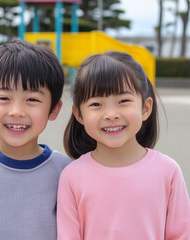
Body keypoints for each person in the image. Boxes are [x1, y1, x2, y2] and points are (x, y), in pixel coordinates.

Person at [57, 51, 190, 240]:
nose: (111, 114)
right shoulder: (71, 176)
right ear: (79, 115)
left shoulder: (168, 172)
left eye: (123, 101)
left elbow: (181, 235)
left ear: (145, 108)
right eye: (96, 104)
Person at [0, 40, 72, 240]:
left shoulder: (65, 172)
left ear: (53, 109)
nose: (16, 111)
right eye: (4, 98)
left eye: (32, 100)